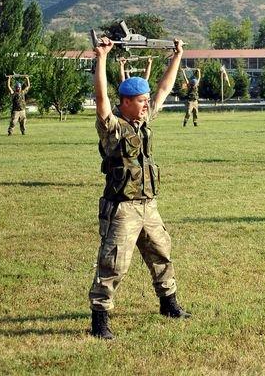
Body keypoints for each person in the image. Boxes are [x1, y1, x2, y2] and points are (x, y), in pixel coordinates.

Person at [88, 36, 190, 340]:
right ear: (126, 102)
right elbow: (101, 99)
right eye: (142, 101)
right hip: (122, 208)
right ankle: (99, 320)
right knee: (114, 263)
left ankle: (169, 304)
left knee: (161, 252)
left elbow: (163, 89)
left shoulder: (143, 121)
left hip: (148, 205)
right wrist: (102, 57)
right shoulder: (113, 126)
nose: (148, 104)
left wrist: (177, 57)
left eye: (147, 101)